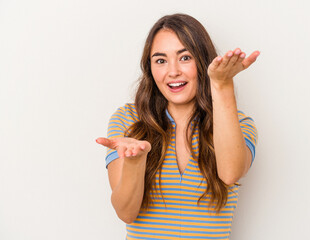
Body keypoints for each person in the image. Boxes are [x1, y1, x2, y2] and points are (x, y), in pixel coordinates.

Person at [96, 13, 259, 240]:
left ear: (203, 62)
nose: (173, 71)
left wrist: (221, 85)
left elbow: (231, 173)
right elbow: (126, 212)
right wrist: (135, 161)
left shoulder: (239, 124)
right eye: (161, 60)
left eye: (185, 58)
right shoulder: (128, 119)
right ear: (150, 69)